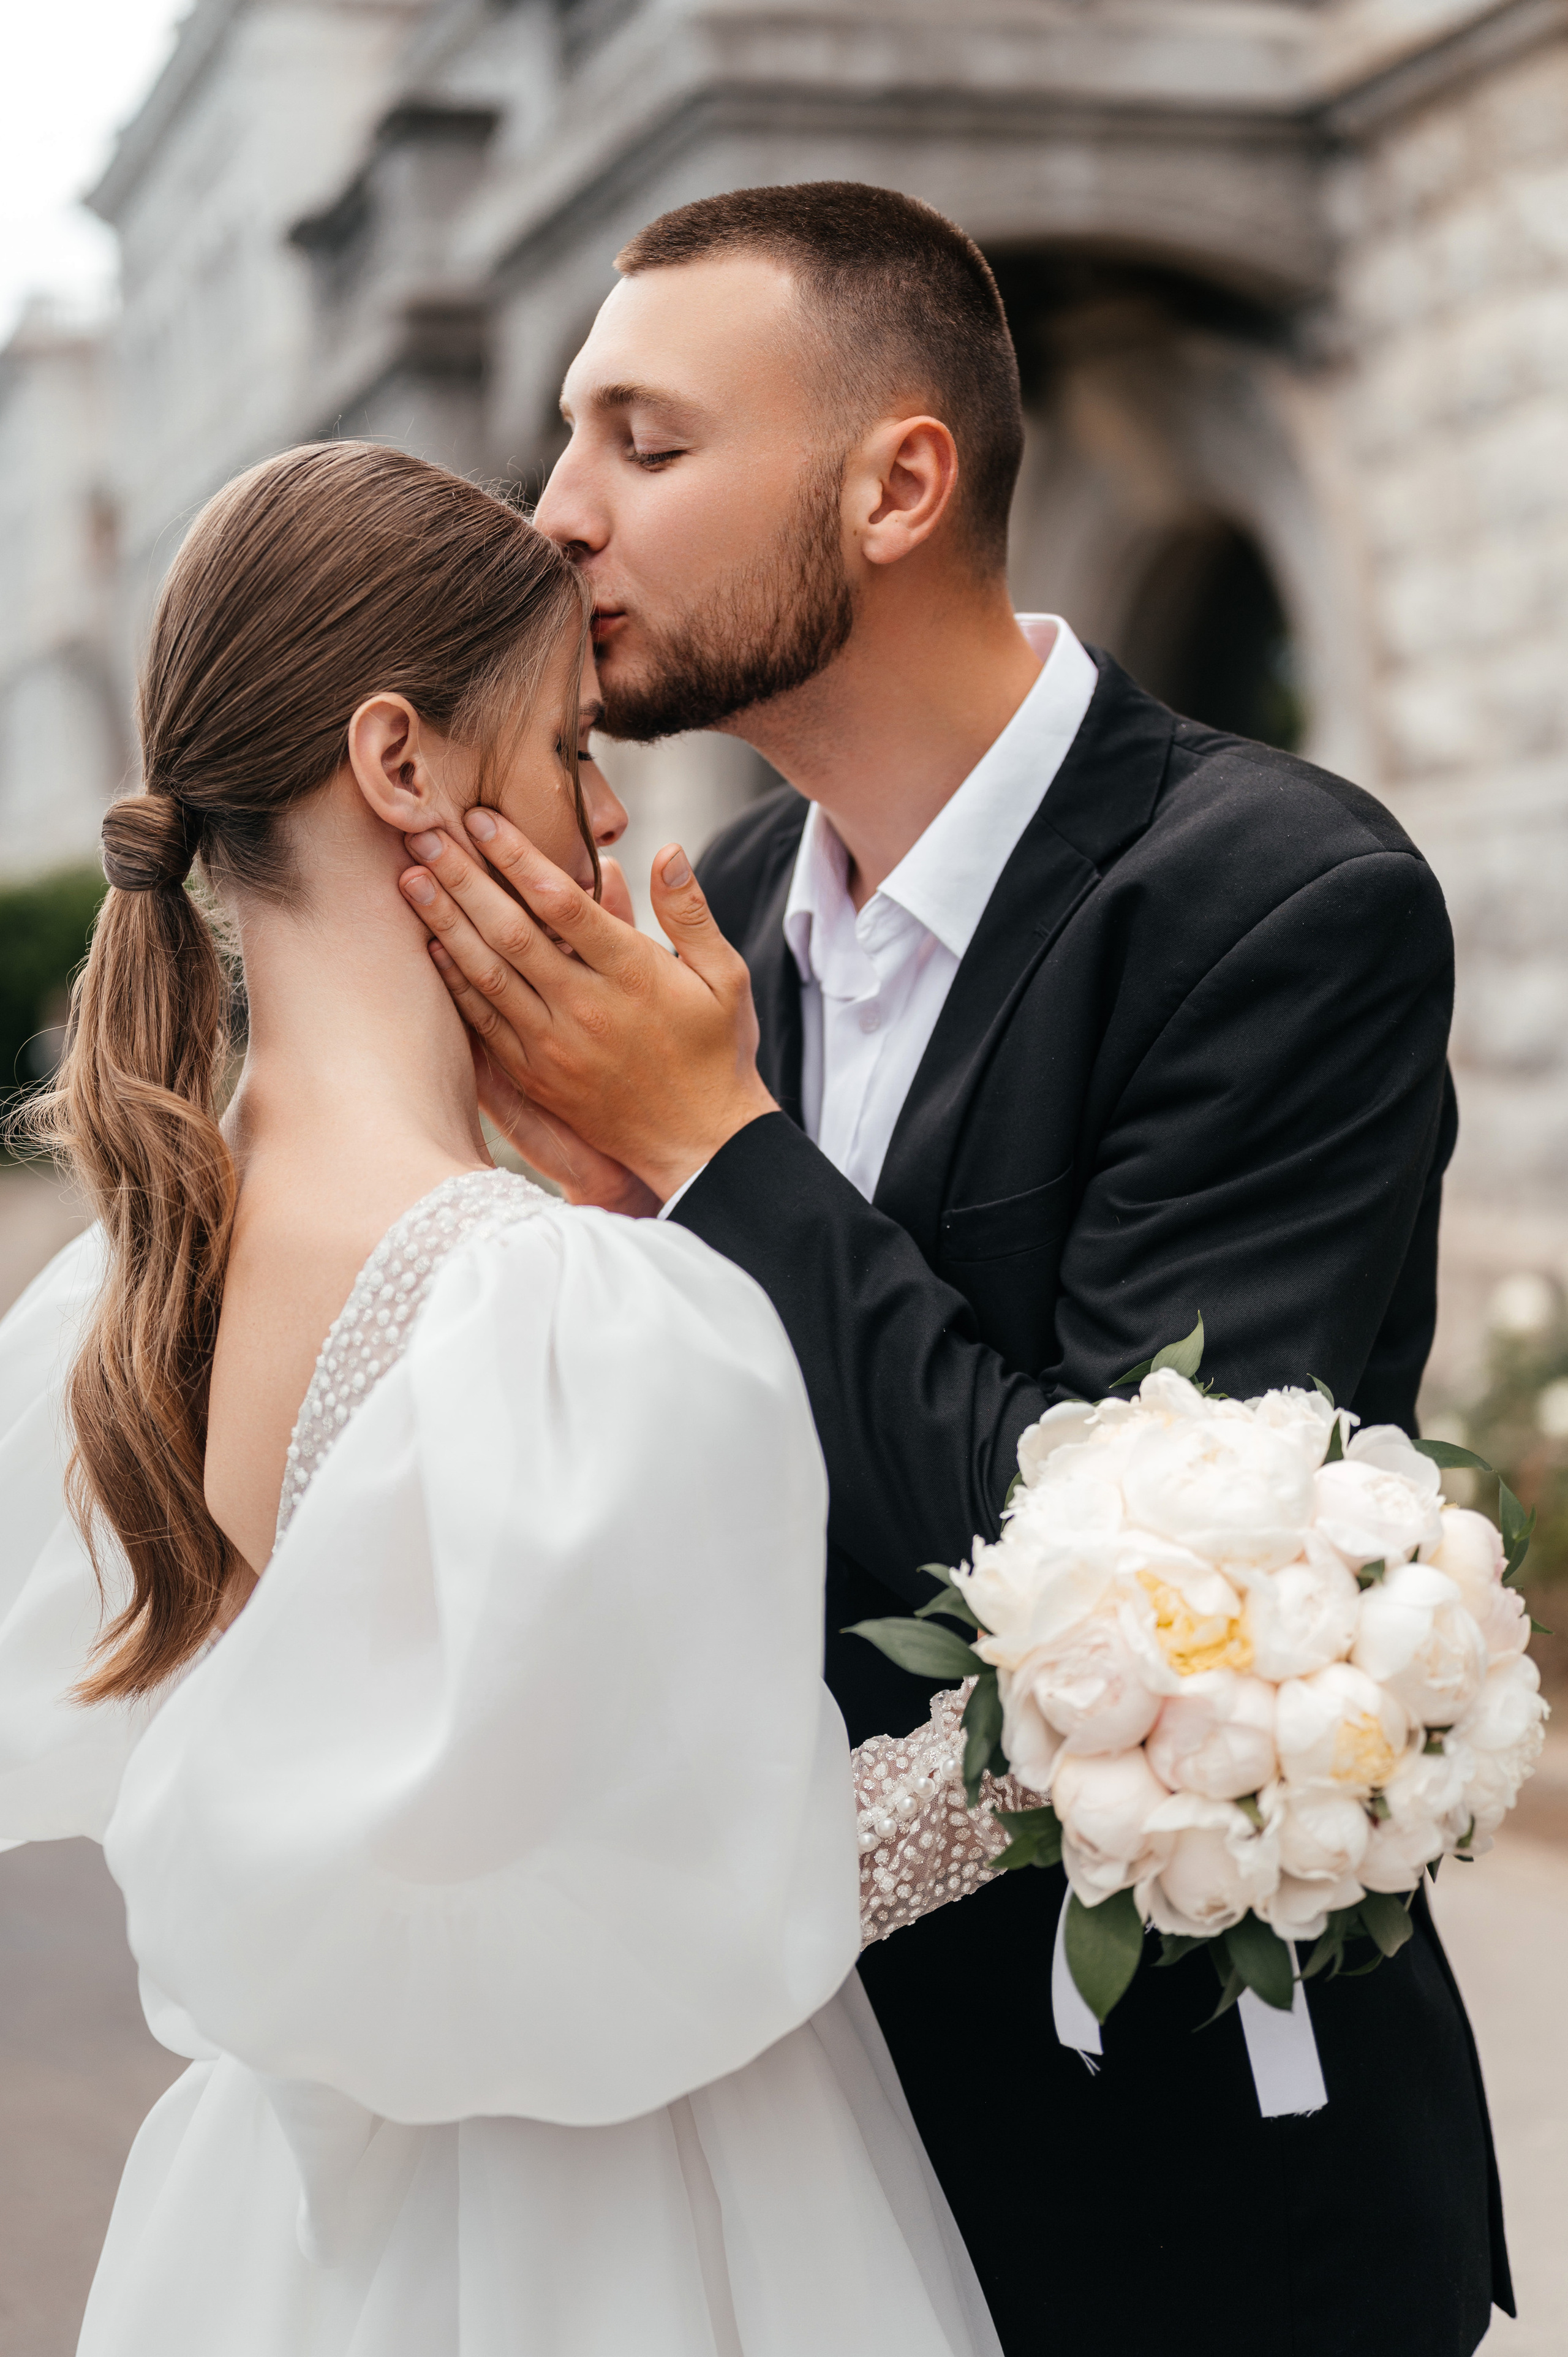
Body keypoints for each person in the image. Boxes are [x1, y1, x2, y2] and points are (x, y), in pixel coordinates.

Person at [399, 183, 1512, 2355]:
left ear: (899, 480)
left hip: (1191, 2205)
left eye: (642, 443)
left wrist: (714, 1151)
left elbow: (1118, 1577)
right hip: (784, 2172)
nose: (551, 518)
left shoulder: (1279, 905)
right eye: (565, 440)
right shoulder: (710, 916)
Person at [0, 440, 1020, 2357]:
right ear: (401, 765)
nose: (604, 808)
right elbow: (687, 1900)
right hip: (622, 2221)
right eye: (565, 747)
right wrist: (1072, 1746)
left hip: (300, 2238)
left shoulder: (126, 1279)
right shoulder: (546, 1307)